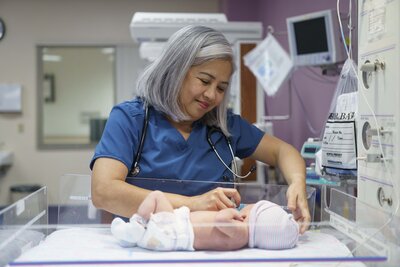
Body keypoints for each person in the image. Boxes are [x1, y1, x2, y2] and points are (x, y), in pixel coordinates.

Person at [90, 25, 310, 233]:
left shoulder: (224, 126)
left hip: (215, 249)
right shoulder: (131, 119)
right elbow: (103, 191)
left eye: (221, 88)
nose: (212, 95)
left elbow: (284, 152)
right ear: (175, 71)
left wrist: (297, 183)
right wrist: (194, 204)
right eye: (205, 81)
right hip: (149, 246)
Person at [111, 190, 299, 251]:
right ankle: (134, 233)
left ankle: (137, 223)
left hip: (178, 231)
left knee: (157, 196)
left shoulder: (242, 232)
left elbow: (220, 221)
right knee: (156, 208)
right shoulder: (242, 235)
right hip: (175, 229)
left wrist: (229, 212)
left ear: (253, 218)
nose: (247, 207)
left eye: (253, 207)